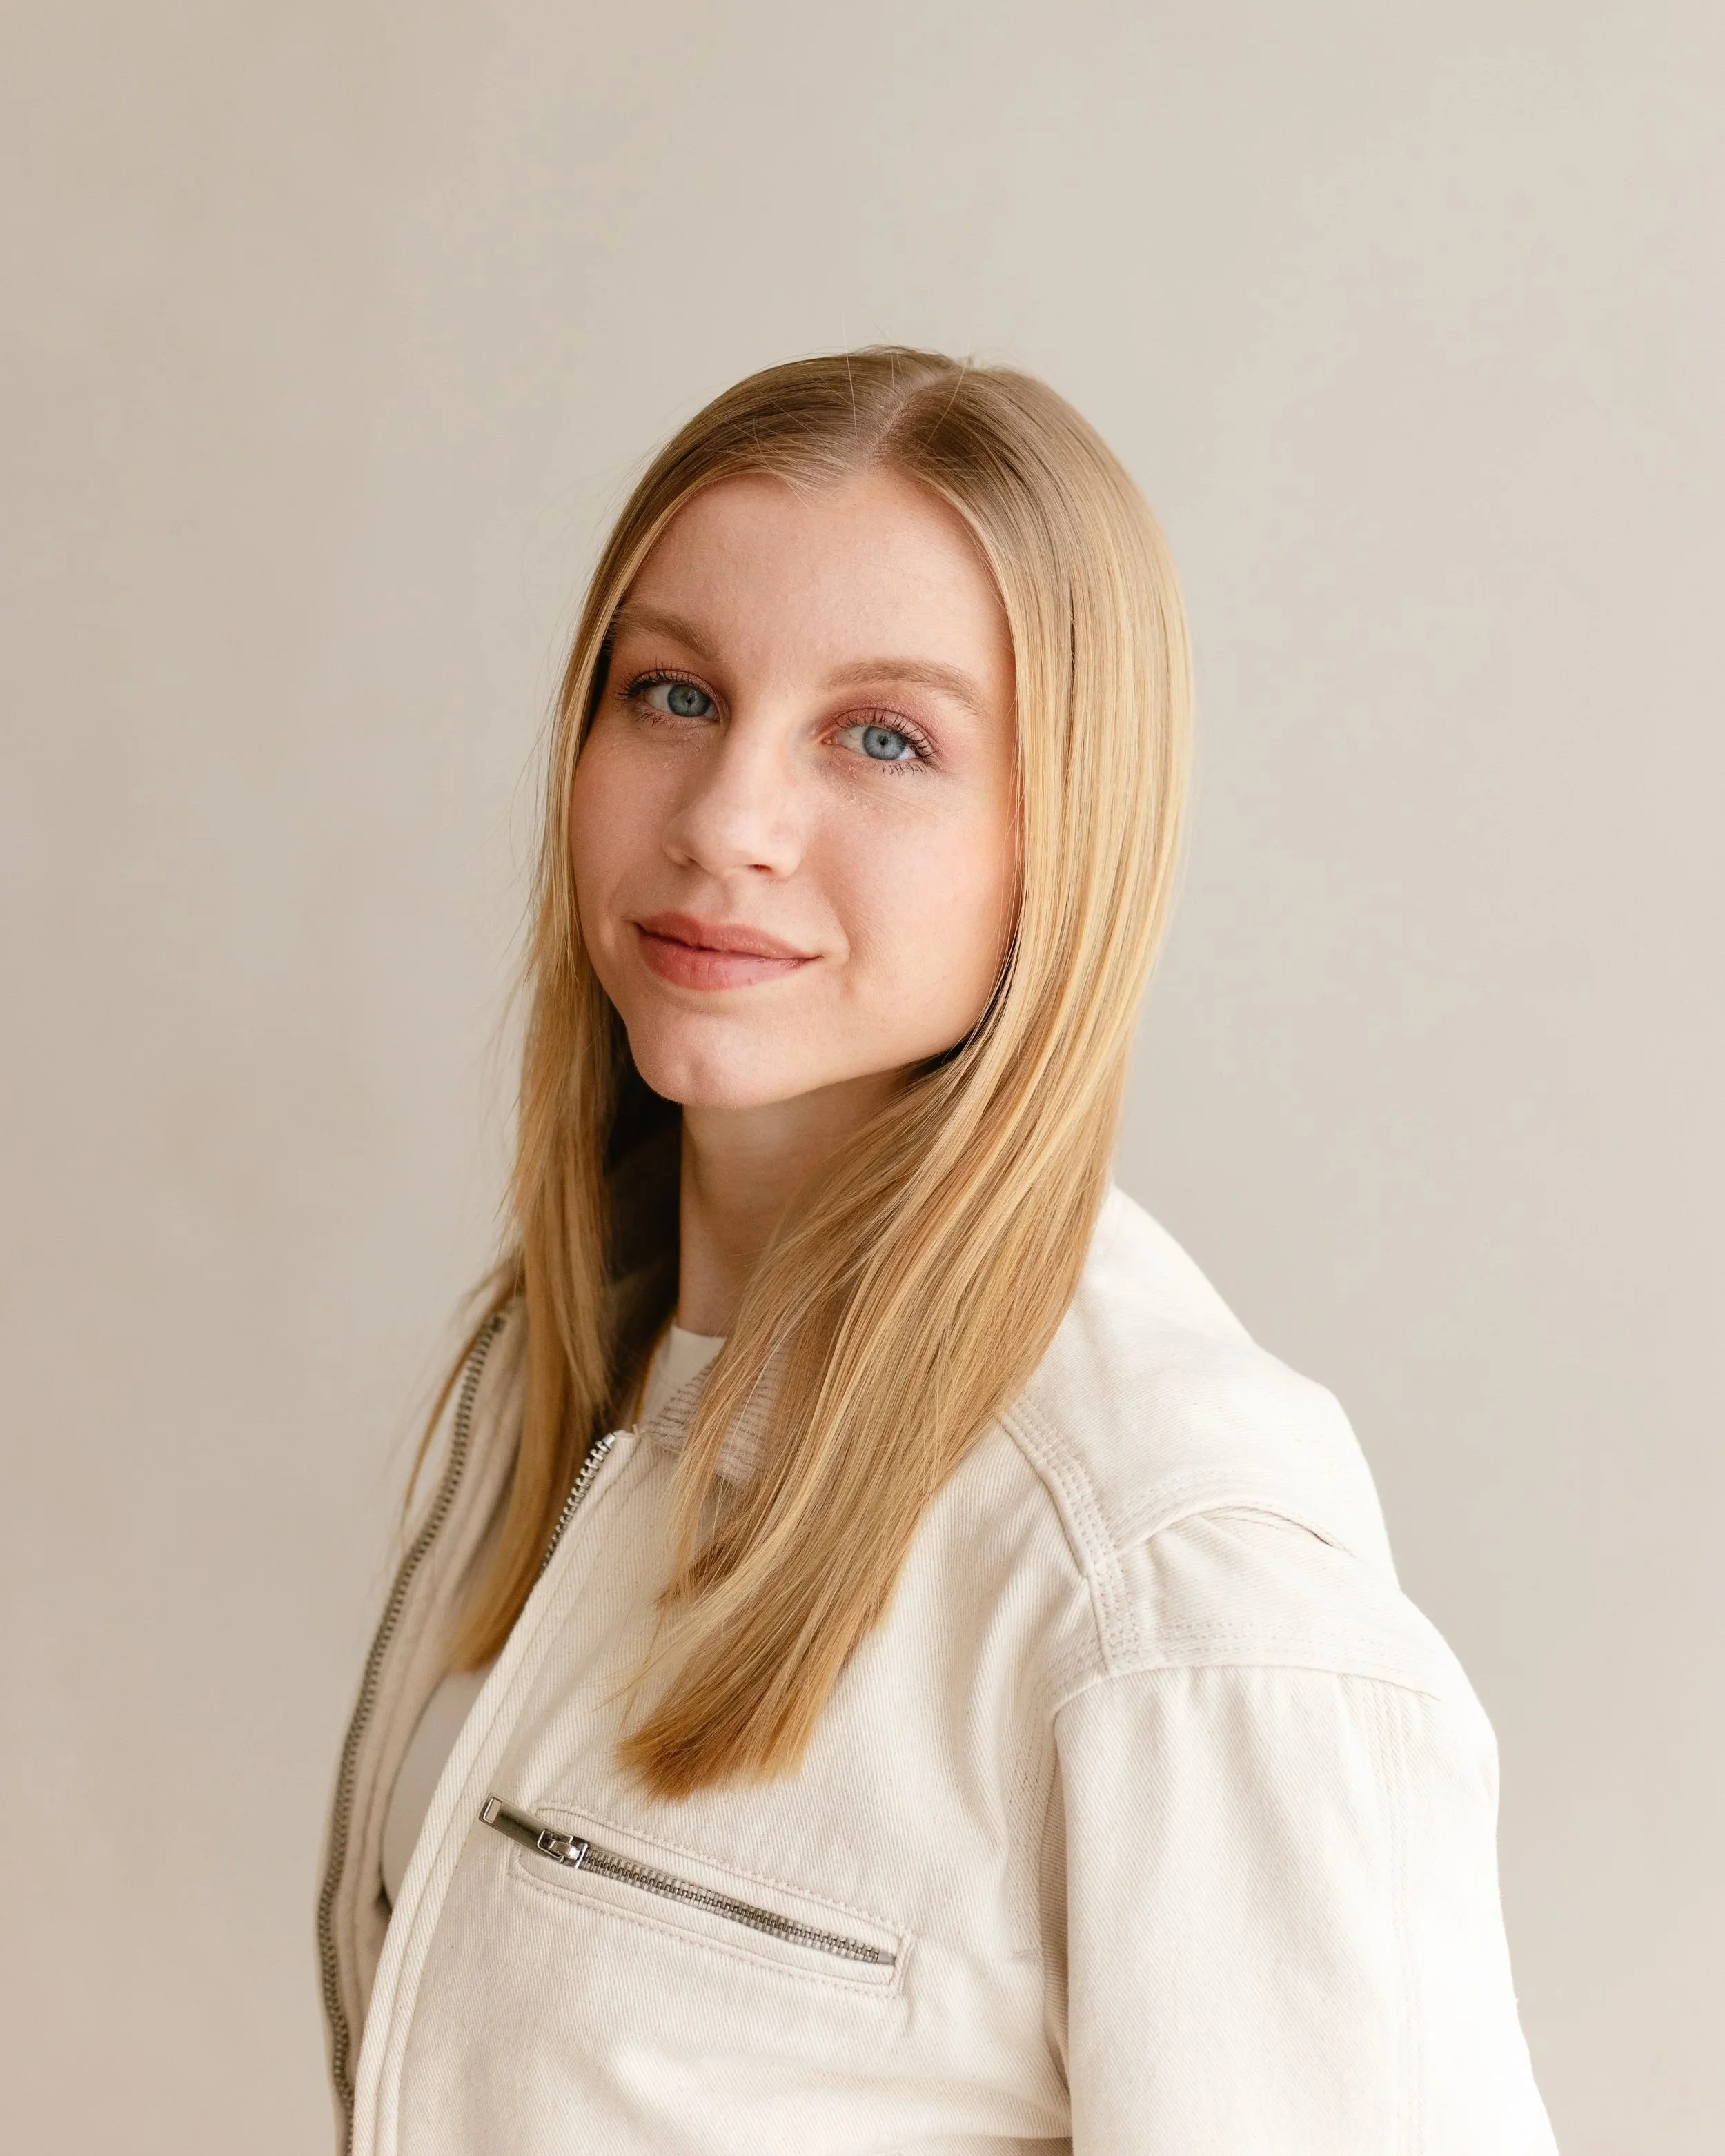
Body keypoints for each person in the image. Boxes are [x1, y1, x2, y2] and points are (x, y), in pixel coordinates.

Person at [317, 347, 1557, 2153]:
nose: (726, 820)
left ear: (1054, 843)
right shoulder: (561, 1374)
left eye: (882, 735)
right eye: (670, 693)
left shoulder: (1167, 1577)